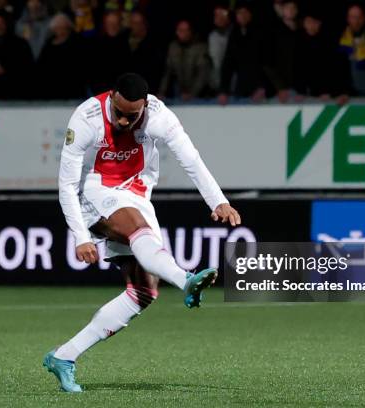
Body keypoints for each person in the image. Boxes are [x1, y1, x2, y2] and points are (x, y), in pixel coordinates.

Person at [44, 73, 241, 392]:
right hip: (95, 192)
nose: (123, 120)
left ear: (145, 106)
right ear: (111, 99)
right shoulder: (86, 118)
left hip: (137, 194)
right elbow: (66, 184)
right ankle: (185, 279)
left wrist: (218, 201)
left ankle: (64, 356)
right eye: (118, 112)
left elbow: (190, 159)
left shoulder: (159, 116)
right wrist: (80, 235)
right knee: (138, 228)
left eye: (131, 116)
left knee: (143, 293)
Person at [159, 20, 211, 101]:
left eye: (184, 30)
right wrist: (161, 92)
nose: (181, 33)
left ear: (191, 32)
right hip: (180, 92)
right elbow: (167, 72)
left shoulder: (200, 48)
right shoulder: (173, 47)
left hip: (201, 95)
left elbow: (202, 74)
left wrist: (192, 93)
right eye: (179, 30)